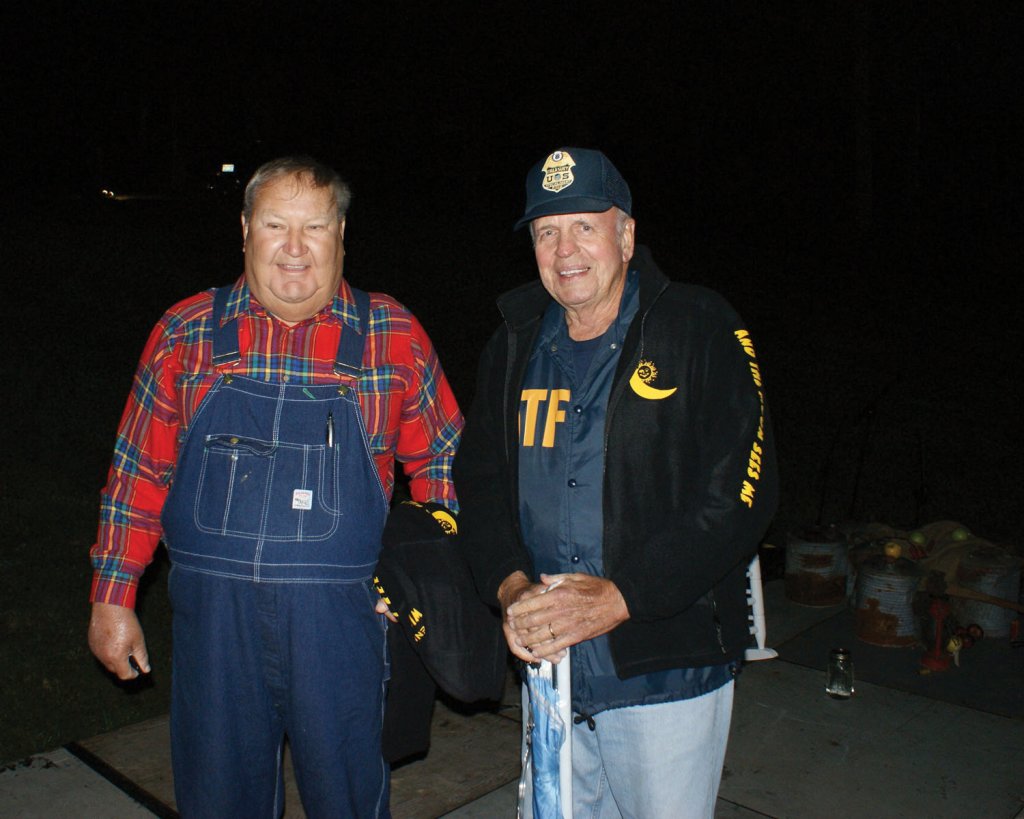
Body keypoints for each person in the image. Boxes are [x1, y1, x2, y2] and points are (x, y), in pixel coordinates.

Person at [87, 156, 462, 818]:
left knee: (347, 800)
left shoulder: (392, 335)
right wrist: (113, 599)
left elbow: (444, 465)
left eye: (314, 226)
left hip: (342, 629)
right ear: (244, 230)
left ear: (342, 233)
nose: (294, 248)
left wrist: (419, 581)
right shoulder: (187, 332)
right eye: (274, 225)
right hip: (215, 631)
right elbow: (137, 473)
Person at [454, 147, 778, 818]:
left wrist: (624, 596)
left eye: (583, 225)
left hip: (666, 671)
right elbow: (478, 479)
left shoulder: (700, 327)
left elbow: (740, 495)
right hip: (551, 676)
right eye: (546, 231)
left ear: (625, 235)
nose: (564, 249)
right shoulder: (513, 343)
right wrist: (511, 585)